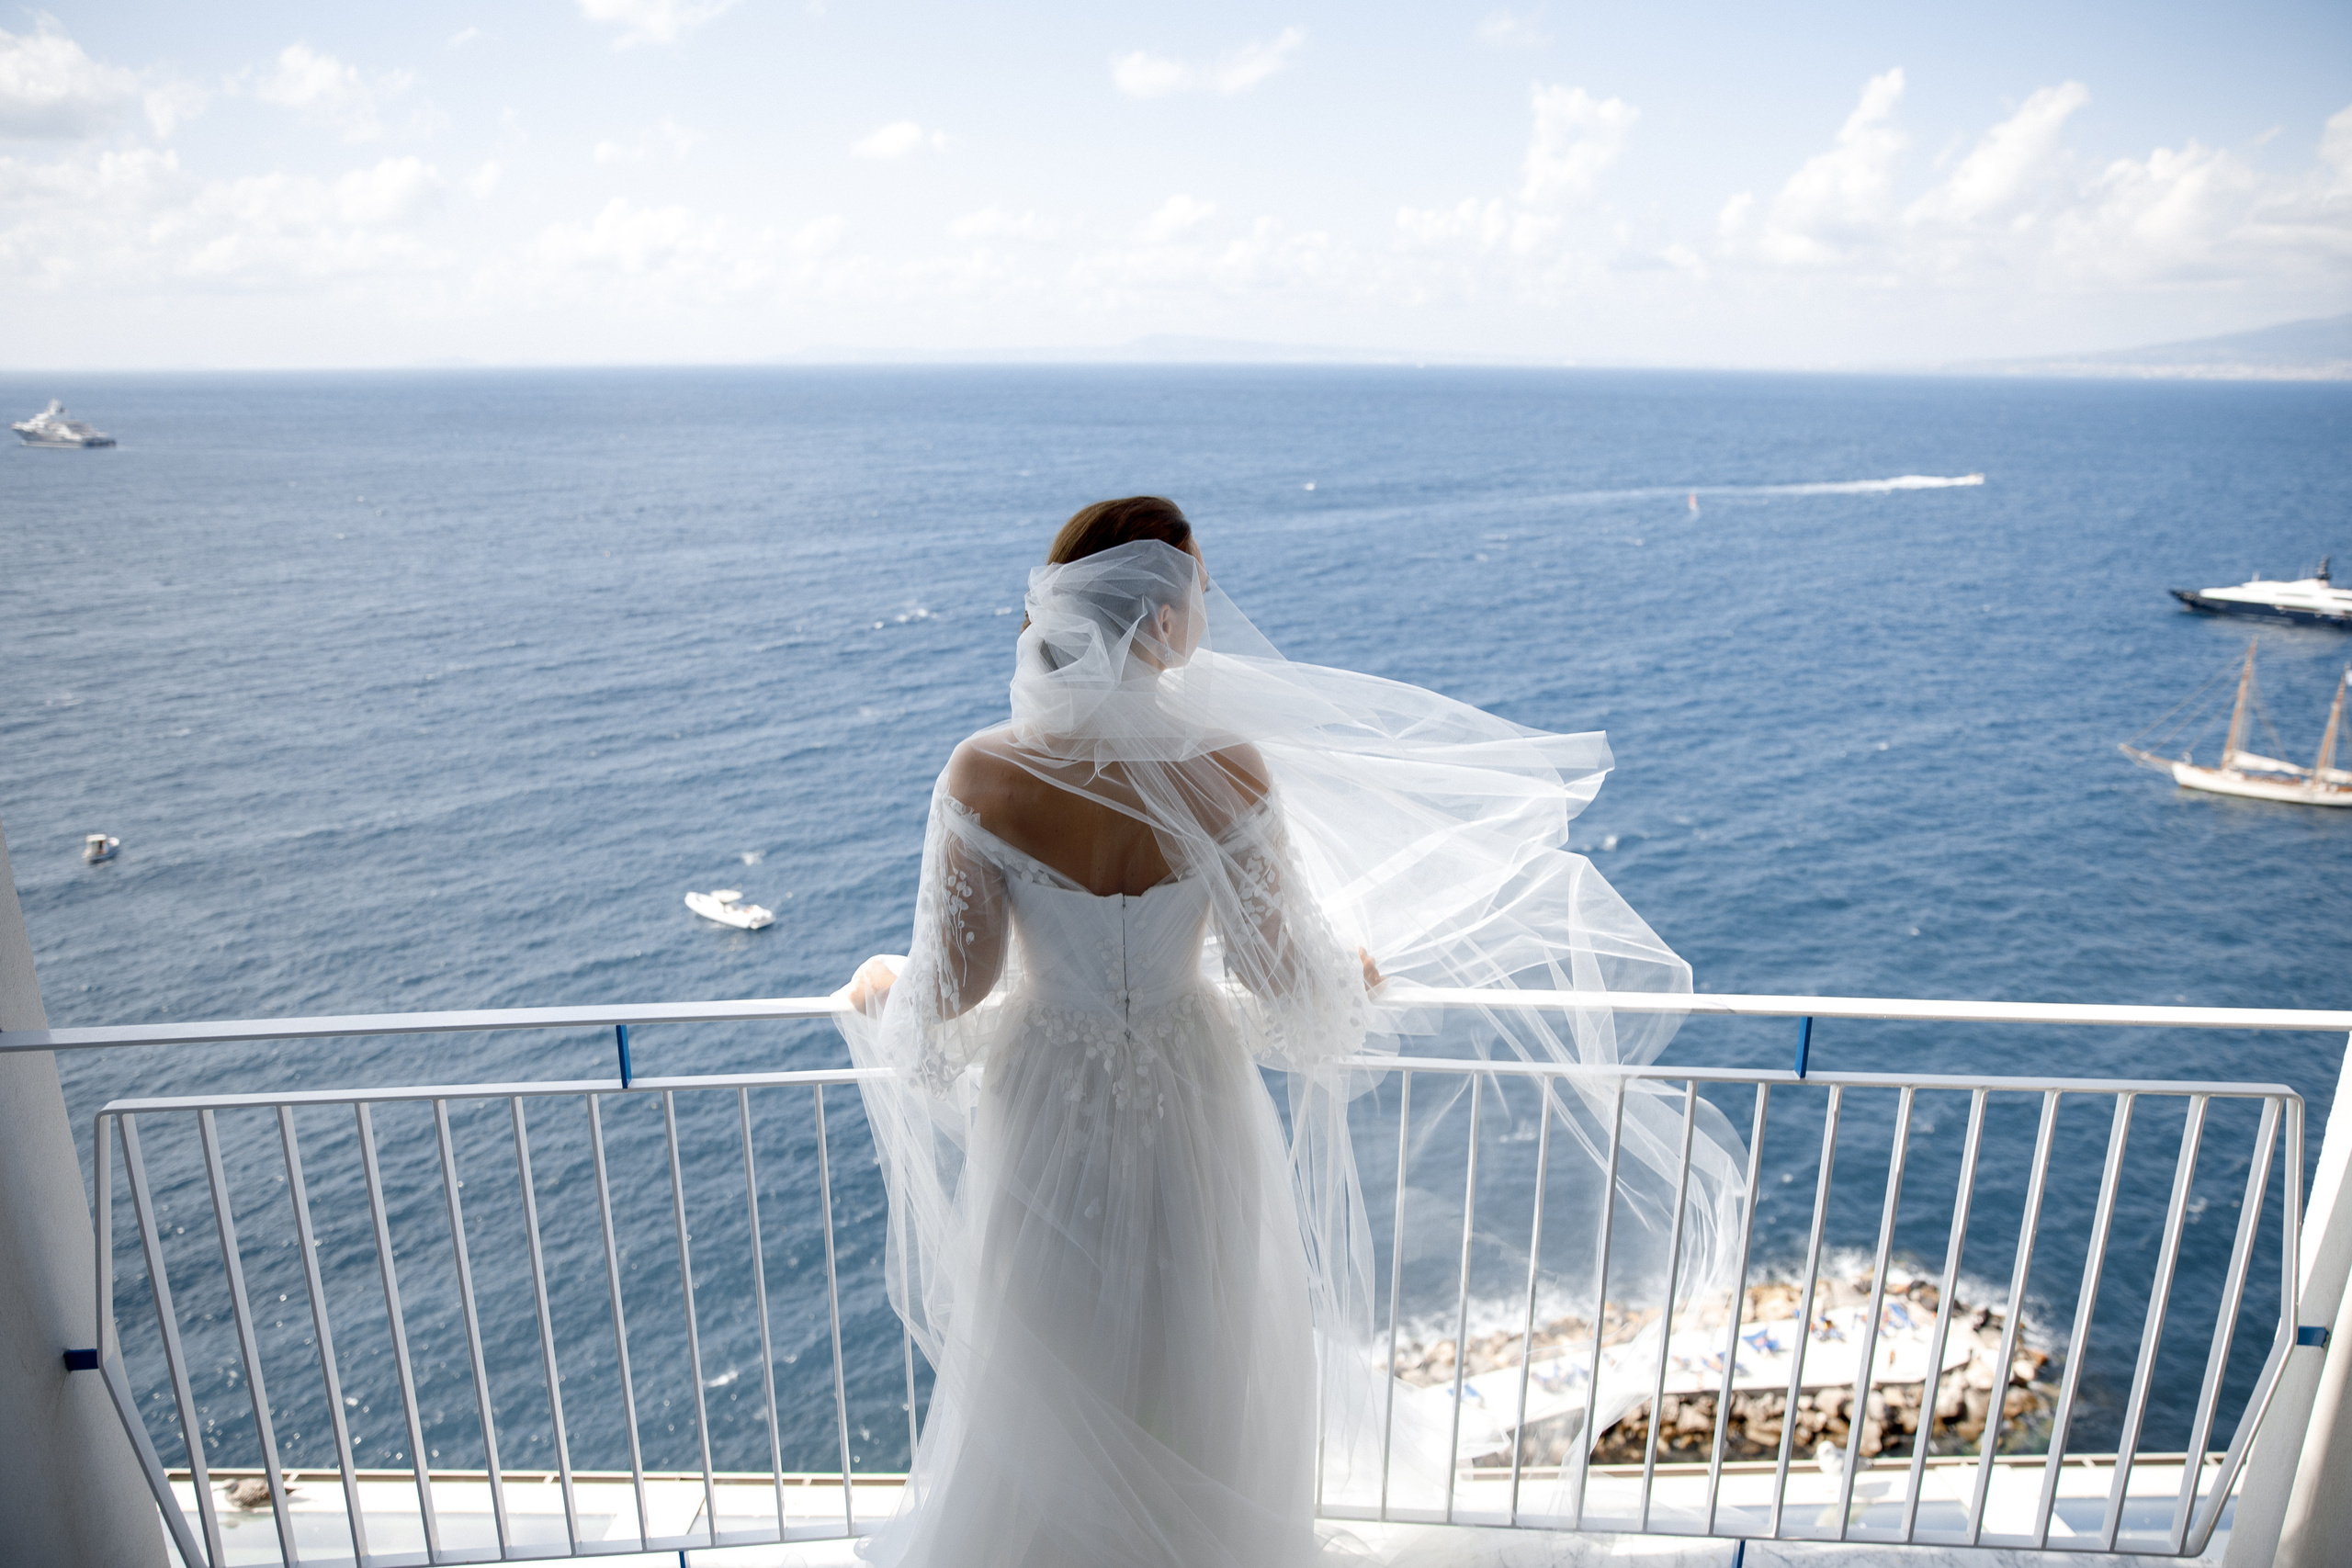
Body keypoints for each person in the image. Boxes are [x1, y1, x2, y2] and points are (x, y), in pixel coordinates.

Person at [836, 498, 1745, 1567]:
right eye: (1199, 590)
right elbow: (1278, 977)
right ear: (1161, 621)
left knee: (1049, 1333)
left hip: (1047, 1093)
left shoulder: (985, 771)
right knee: (1201, 1333)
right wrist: (1344, 967)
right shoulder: (1228, 766)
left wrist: (884, 976)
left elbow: (958, 983)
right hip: (1192, 1085)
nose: (1208, 607)